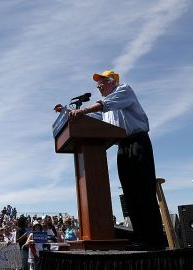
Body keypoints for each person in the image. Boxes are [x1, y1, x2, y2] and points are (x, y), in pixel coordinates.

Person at [66, 70, 166, 250]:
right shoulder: (106, 109)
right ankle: (141, 237)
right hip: (122, 147)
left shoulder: (123, 90)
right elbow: (94, 118)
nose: (98, 85)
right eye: (97, 83)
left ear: (113, 82)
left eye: (102, 81)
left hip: (137, 142)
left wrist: (85, 109)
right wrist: (67, 112)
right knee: (130, 193)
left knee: (142, 190)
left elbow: (101, 106)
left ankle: (154, 239)